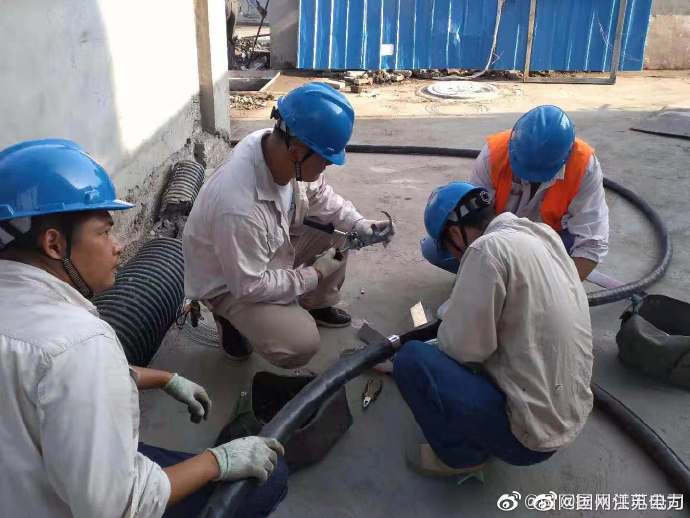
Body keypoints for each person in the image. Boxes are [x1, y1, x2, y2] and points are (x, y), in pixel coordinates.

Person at [0, 139, 287, 518]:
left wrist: (165, 378)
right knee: (270, 480)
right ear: (54, 244)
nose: (118, 246)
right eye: (104, 232)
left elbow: (45, 382)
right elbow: (118, 507)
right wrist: (217, 461)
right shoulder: (81, 343)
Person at [183, 83, 394, 368]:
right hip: (230, 281)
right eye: (325, 160)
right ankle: (228, 316)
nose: (328, 166)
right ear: (296, 152)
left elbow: (320, 195)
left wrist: (359, 223)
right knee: (300, 342)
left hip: (261, 246)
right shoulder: (239, 207)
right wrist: (314, 274)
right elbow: (249, 286)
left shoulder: (277, 145)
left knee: (343, 233)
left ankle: (315, 304)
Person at [395, 181, 593, 476]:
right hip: (568, 413)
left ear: (455, 234)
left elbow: (461, 350)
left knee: (411, 361)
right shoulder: (542, 235)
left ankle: (461, 457)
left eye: (450, 250)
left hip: (527, 439)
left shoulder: (485, 250)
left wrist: (427, 344)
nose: (456, 259)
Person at [421, 105, 609, 281]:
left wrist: (561, 289)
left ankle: (539, 277)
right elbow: (473, 220)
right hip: (500, 238)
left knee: (560, 265)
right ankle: (503, 279)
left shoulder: (583, 167)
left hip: (553, 242)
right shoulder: (493, 156)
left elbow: (591, 244)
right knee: (437, 249)